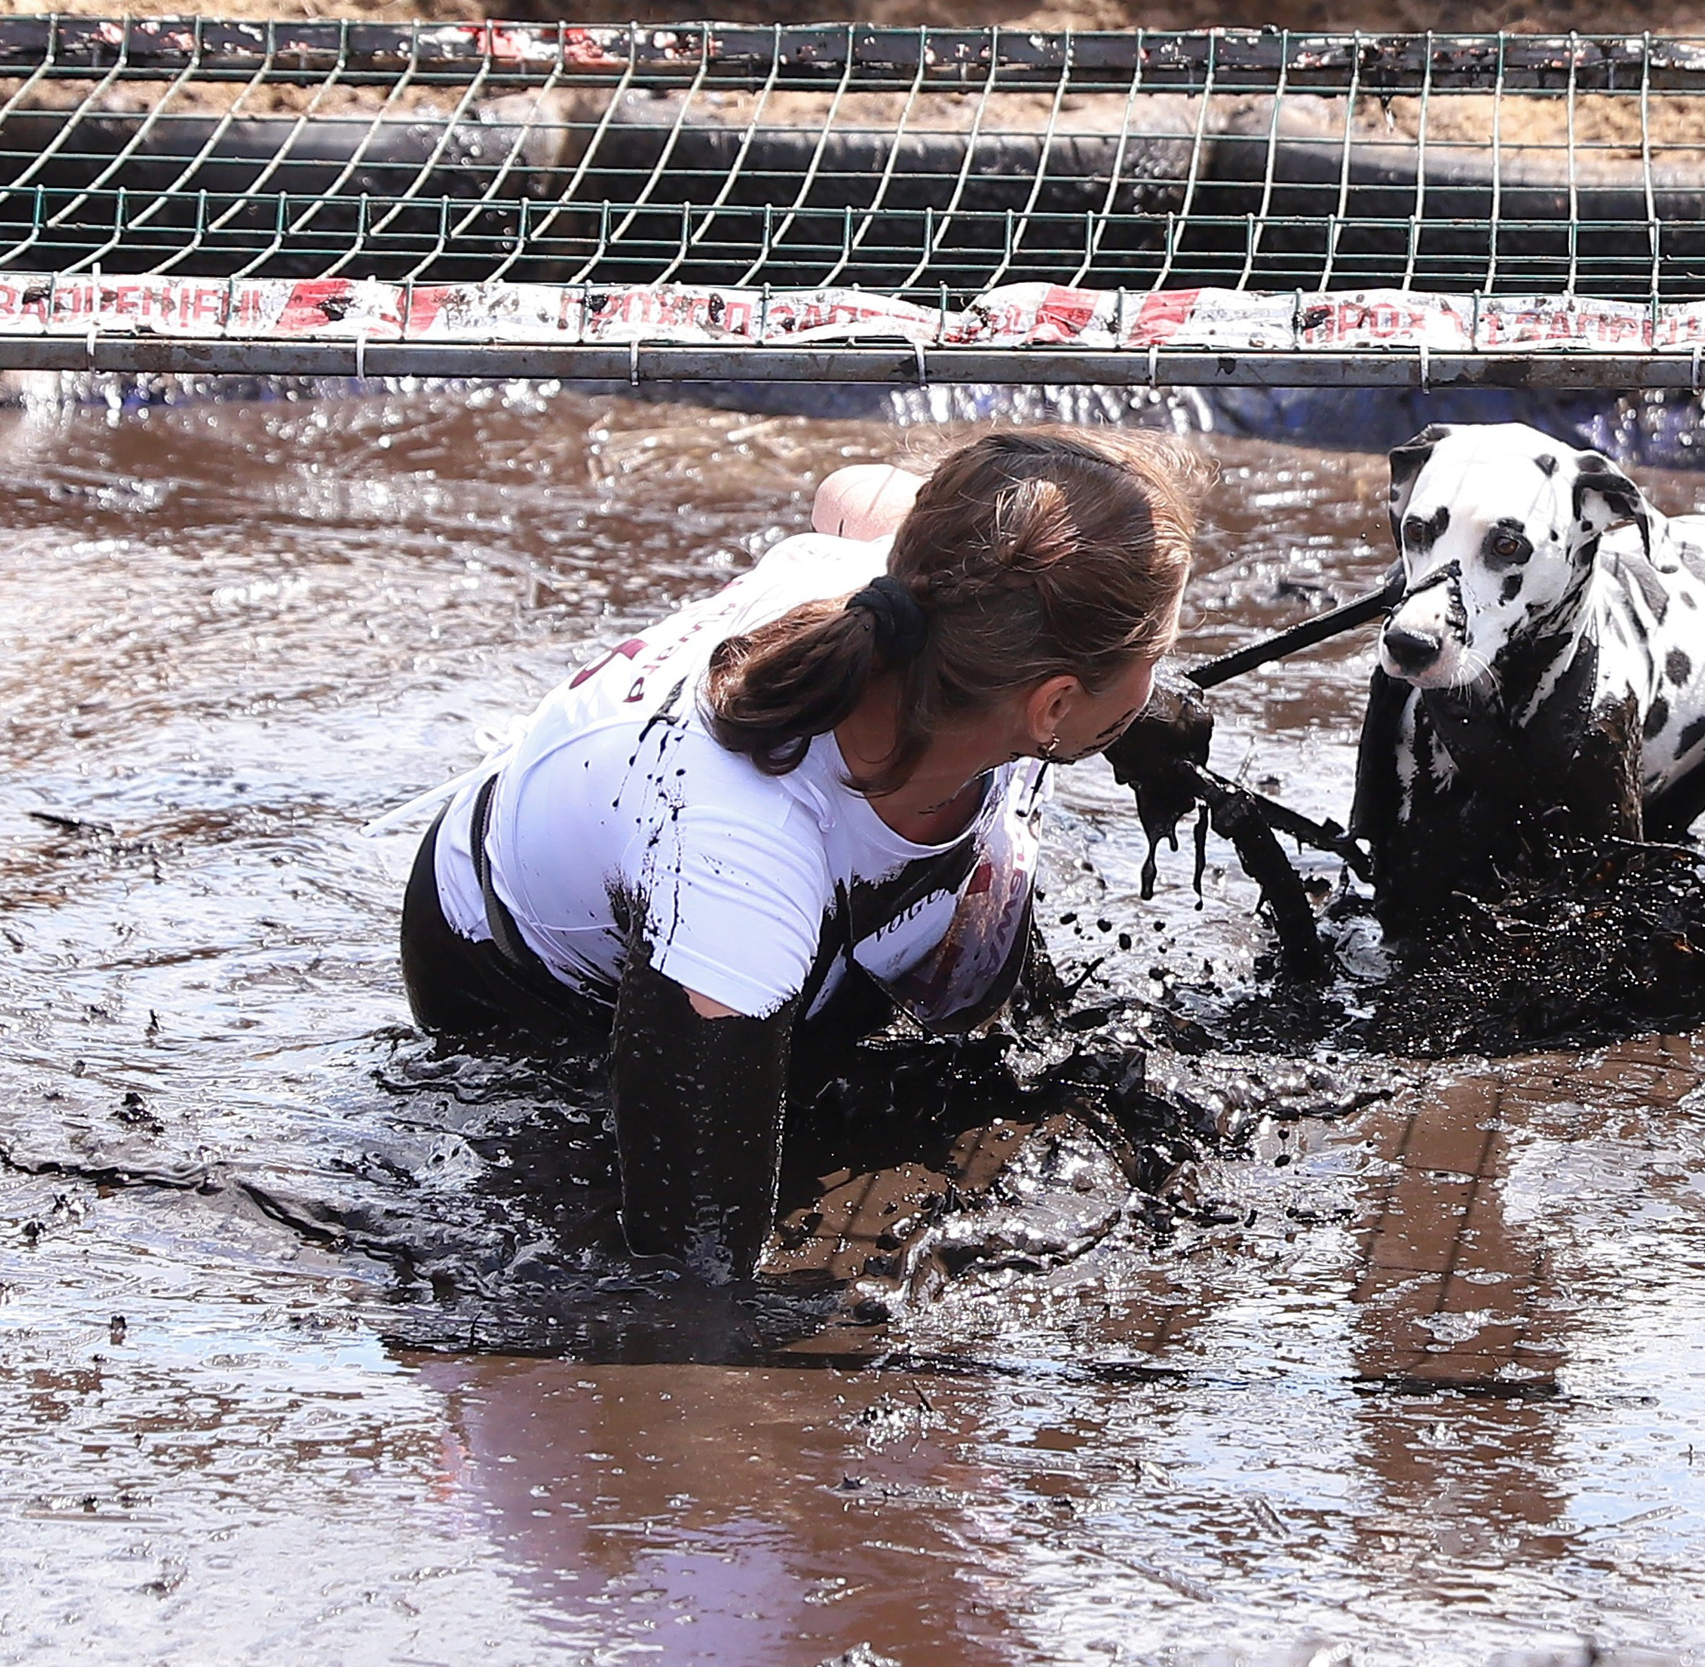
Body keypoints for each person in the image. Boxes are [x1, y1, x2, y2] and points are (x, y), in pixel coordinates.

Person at [398, 427, 1207, 1279]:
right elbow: (693, 1258)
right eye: (1152, 659)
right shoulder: (743, 852)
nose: (1159, 678)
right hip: (519, 990)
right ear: (1051, 705)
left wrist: (1129, 718)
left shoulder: (936, 580)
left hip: (799, 879)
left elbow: (850, 489)